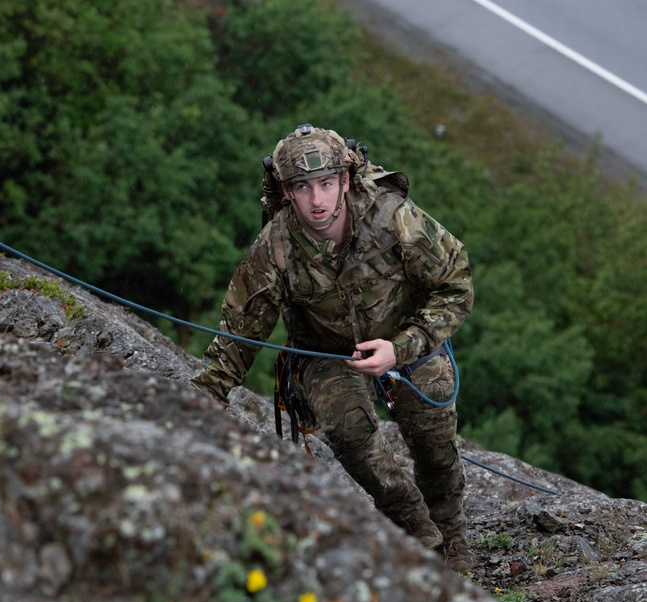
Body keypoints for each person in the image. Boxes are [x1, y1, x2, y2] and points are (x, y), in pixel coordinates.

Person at [191, 124, 475, 572]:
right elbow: (238, 335)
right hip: (326, 353)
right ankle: (416, 531)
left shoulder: (394, 219)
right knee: (351, 432)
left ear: (345, 180)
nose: (317, 199)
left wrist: (402, 346)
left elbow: (456, 285)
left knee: (434, 430)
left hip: (404, 336)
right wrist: (196, 403)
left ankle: (452, 537)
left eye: (326, 183)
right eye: (303, 188)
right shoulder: (276, 248)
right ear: (286, 192)